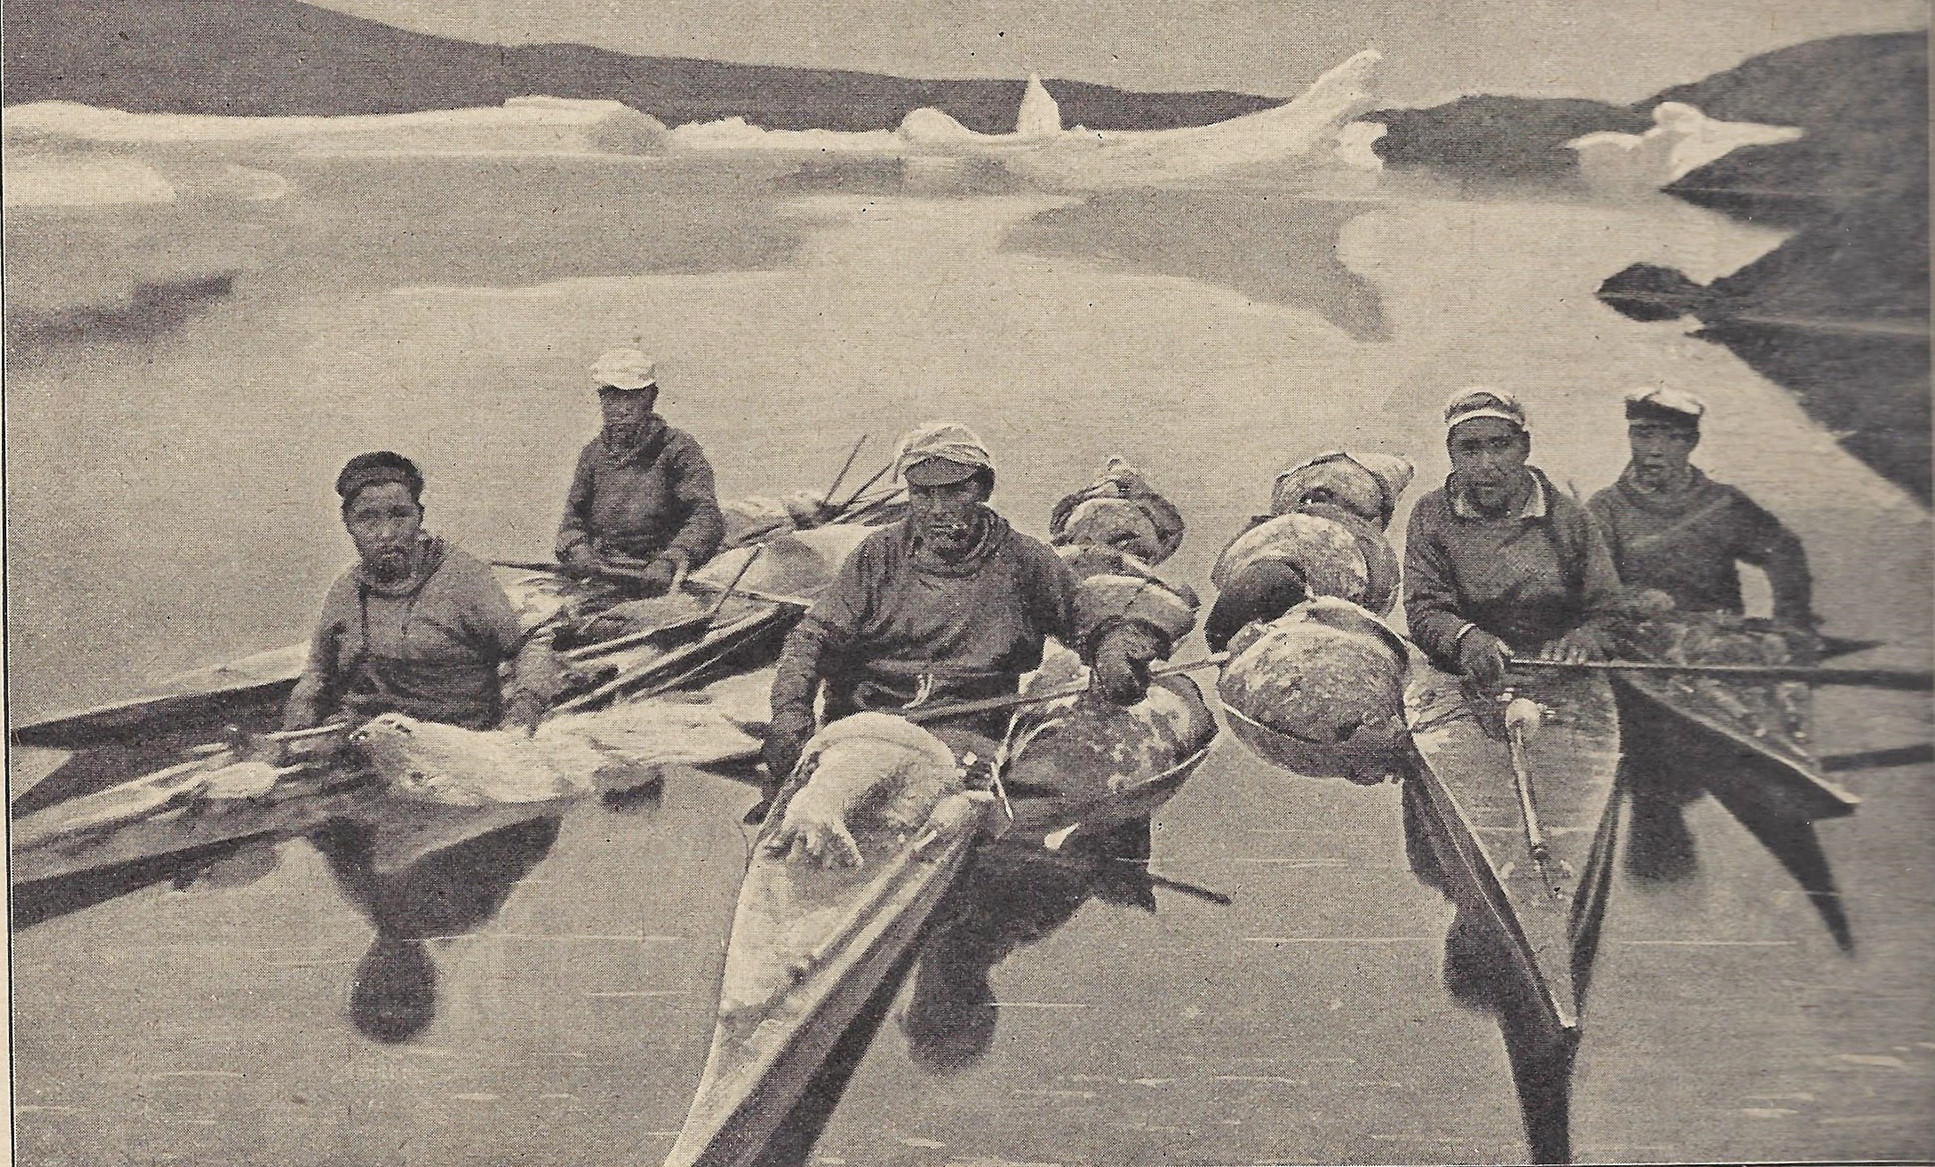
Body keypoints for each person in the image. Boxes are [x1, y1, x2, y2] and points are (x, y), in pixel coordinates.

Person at [763, 423, 1151, 785]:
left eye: (952, 492)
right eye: (922, 493)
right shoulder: (876, 555)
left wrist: (1112, 649)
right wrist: (790, 713)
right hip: (862, 727)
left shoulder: (1024, 561)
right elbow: (813, 638)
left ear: (982, 489)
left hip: (966, 736)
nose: (937, 509)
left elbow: (1089, 620)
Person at [283, 452, 555, 733]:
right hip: (365, 735)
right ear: (348, 523)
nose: (386, 534)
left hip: (455, 739)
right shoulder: (346, 591)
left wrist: (525, 707)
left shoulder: (462, 578)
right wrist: (298, 722)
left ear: (419, 516)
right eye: (368, 519)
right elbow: (318, 674)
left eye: (399, 515)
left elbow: (528, 646)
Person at [1403, 388, 1623, 688]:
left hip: (1560, 678)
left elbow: (1610, 610)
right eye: (1470, 449)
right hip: (1462, 677)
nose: (1486, 464)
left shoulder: (1568, 518)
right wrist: (1464, 637)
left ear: (1524, 447)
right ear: (1451, 454)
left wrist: (1586, 639)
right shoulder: (1432, 514)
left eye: (1500, 446)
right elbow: (1424, 607)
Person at [1588, 387, 1814, 627]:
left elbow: (1783, 550)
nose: (1655, 450)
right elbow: (1586, 585)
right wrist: (1633, 598)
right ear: (1630, 437)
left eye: (1673, 438)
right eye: (1644, 436)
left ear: (1692, 442)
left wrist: (1791, 619)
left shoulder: (1723, 503)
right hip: (1636, 637)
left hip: (1718, 637)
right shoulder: (1606, 508)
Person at [555, 349, 725, 593]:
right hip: (603, 572)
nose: (621, 409)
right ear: (602, 400)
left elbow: (705, 516)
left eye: (632, 397)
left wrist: (671, 560)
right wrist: (577, 549)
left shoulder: (678, 449)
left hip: (660, 576)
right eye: (612, 397)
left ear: (651, 397)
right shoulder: (593, 454)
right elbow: (573, 519)